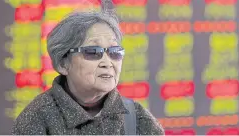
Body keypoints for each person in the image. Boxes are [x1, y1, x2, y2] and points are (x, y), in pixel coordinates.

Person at [11, 7, 164, 135]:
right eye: (92, 51)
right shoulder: (35, 120)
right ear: (63, 63)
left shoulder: (138, 120)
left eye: (114, 51)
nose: (107, 62)